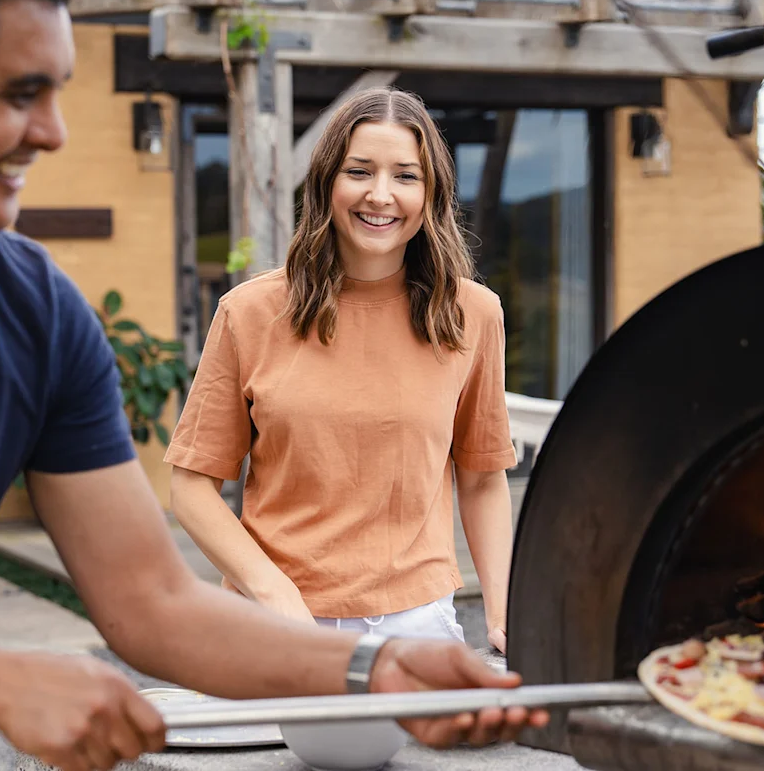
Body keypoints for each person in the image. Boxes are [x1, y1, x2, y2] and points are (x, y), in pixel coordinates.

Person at [0, 0, 548, 770]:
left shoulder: (34, 312)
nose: (53, 131)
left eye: (57, 93)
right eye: (21, 94)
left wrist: (378, 667)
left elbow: (151, 602)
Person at [164, 87, 519, 657]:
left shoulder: (473, 315)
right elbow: (191, 485)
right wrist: (273, 591)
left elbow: (481, 478)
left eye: (406, 176)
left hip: (416, 630)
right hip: (270, 624)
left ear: (432, 194)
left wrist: (504, 614)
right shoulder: (249, 313)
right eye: (360, 171)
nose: (381, 195)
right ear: (328, 180)